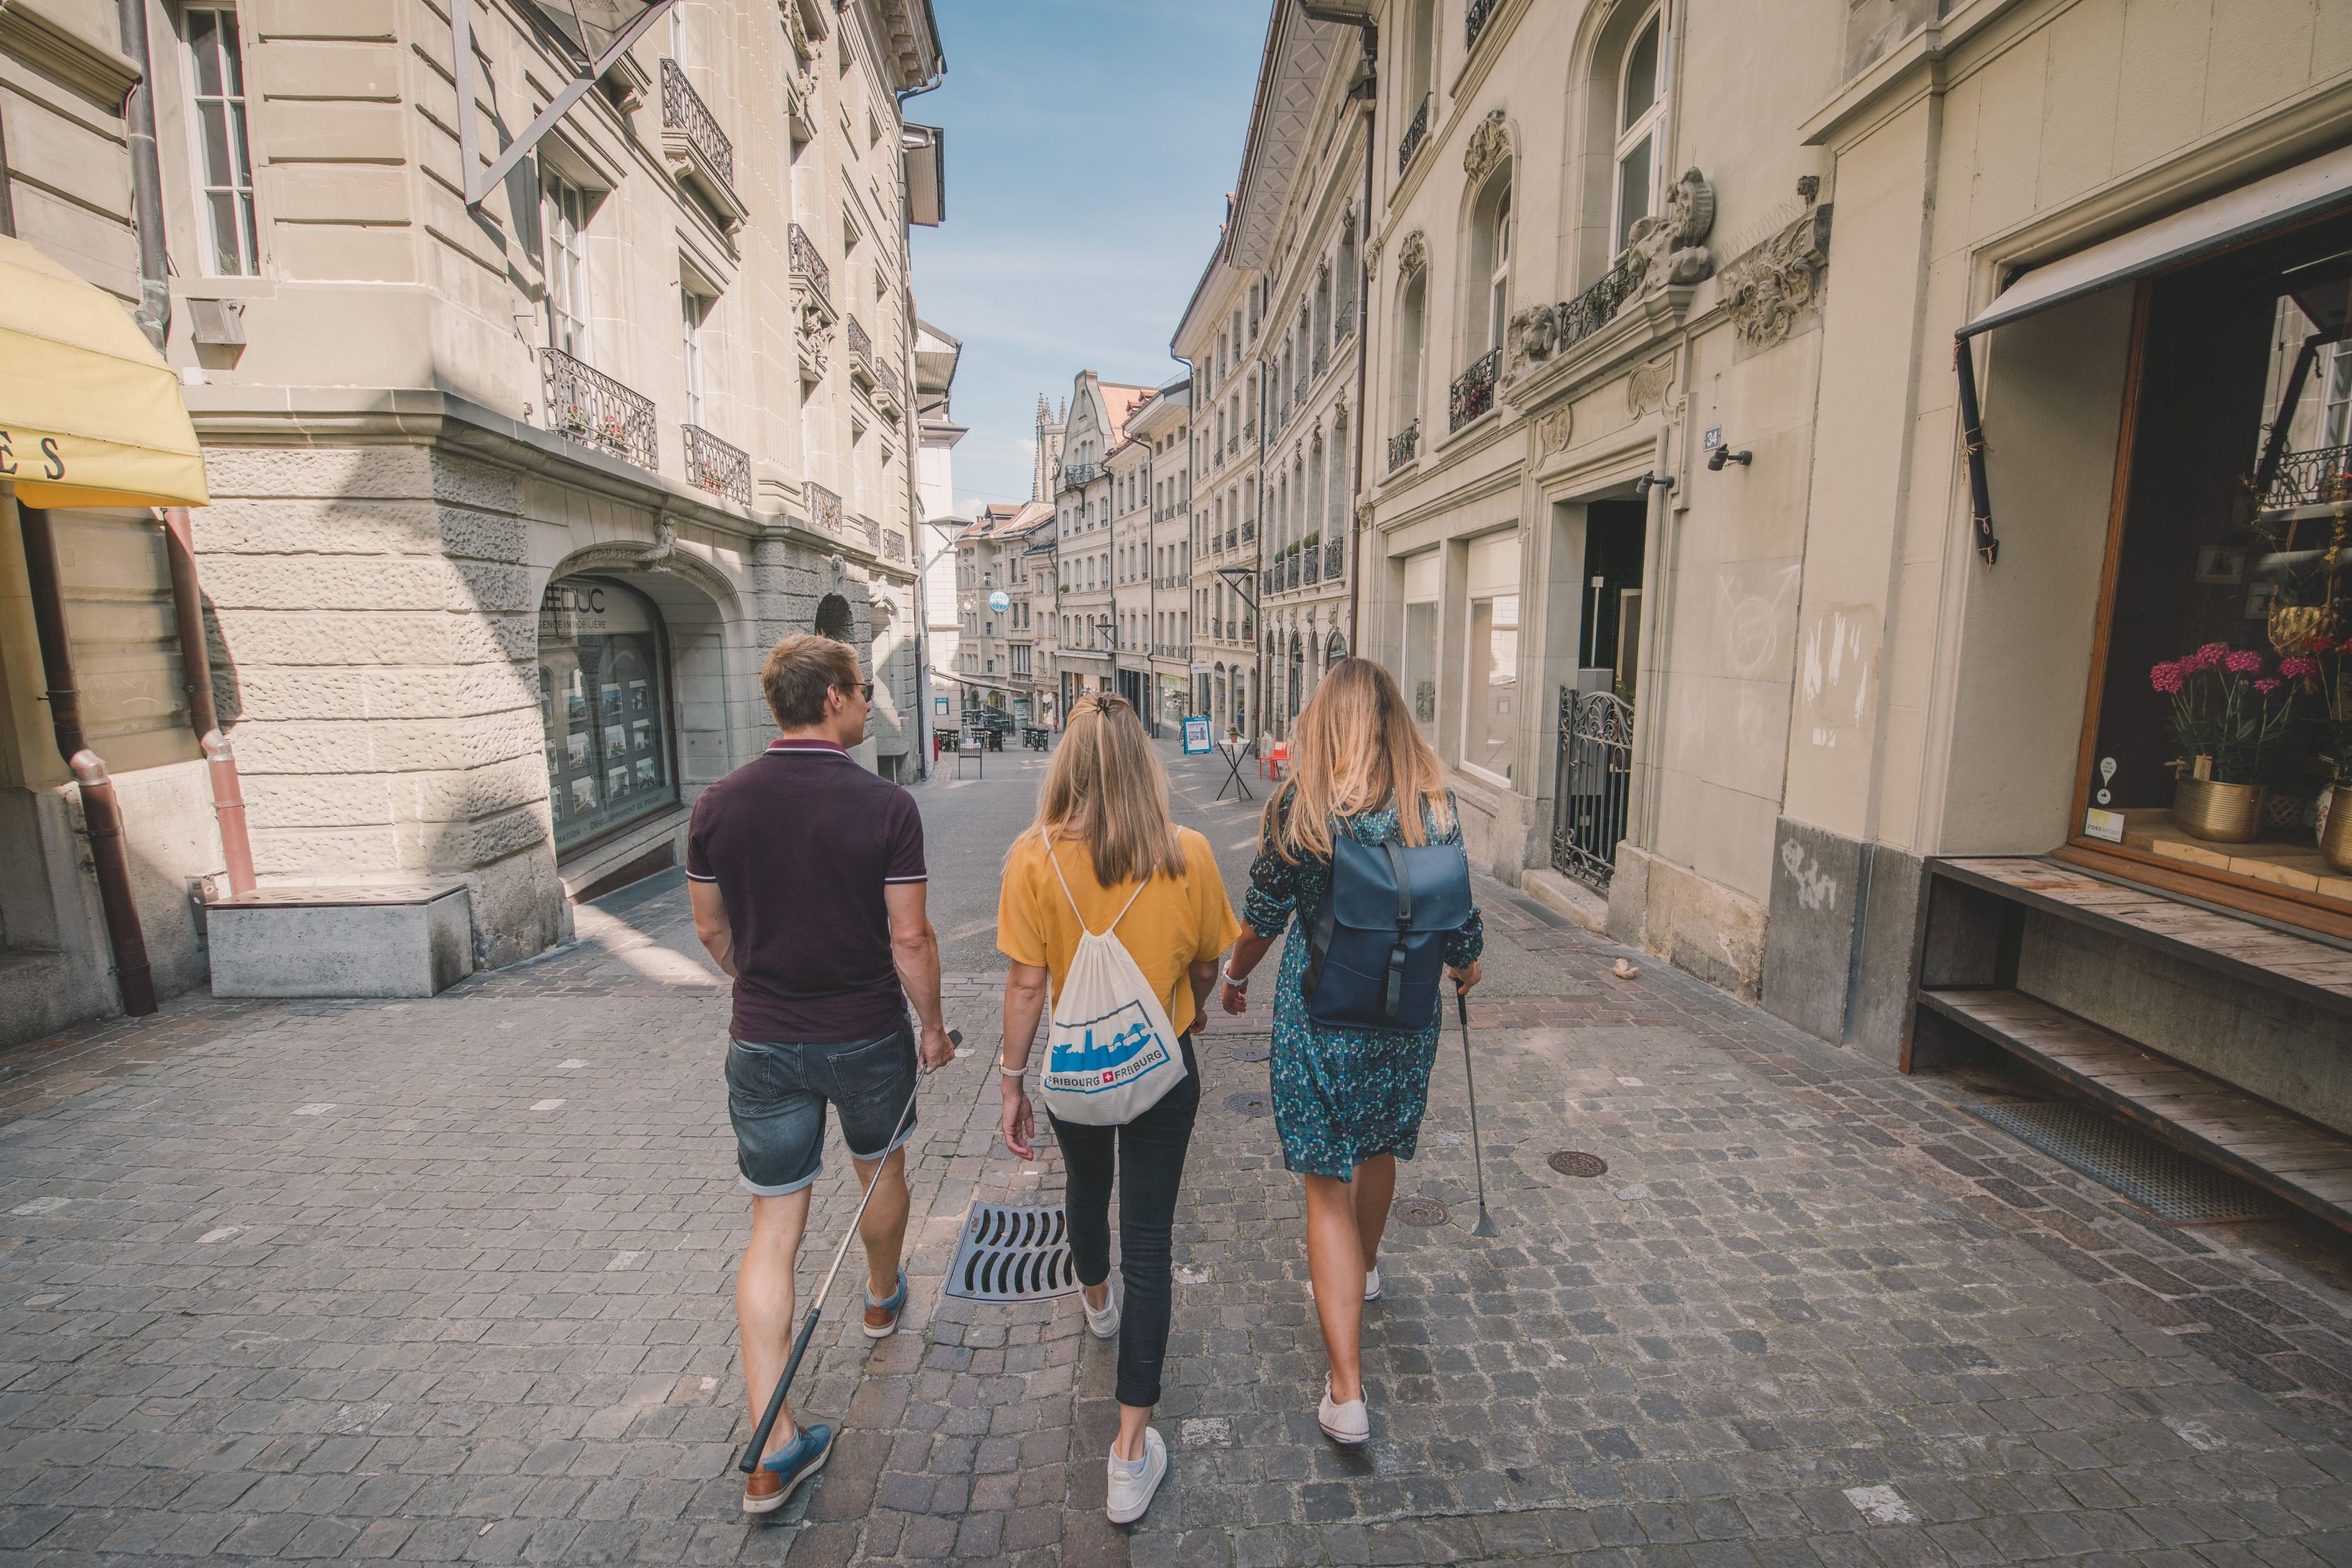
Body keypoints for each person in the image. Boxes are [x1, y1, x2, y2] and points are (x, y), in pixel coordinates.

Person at [687, 634, 956, 1516]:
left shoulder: (718, 805)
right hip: (865, 1029)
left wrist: (760, 981)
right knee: (881, 1166)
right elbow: (910, 937)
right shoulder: (883, 804)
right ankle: (881, 1298)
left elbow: (709, 930)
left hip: (763, 1037)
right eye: (862, 692)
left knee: (773, 1229)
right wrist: (931, 1025)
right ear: (836, 698)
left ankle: (769, 1447)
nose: (866, 704)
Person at [1217, 658, 1483, 1446]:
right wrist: (1466, 968)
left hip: (1320, 1018)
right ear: (1395, 723)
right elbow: (1459, 920)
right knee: (1375, 1150)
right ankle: (1363, 1270)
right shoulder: (1432, 806)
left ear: (1322, 725)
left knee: (1325, 1182)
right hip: (1403, 1020)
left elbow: (1262, 915)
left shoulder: (1298, 809)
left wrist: (1233, 977)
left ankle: (1346, 1392)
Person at [994, 692, 1239, 1524]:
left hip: (1076, 1068)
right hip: (1160, 1069)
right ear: (1144, 763)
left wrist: (1010, 1079)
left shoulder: (1032, 857)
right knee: (1152, 1239)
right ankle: (1131, 1453)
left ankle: (1094, 1301)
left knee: (1083, 1186)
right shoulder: (1190, 853)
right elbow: (1208, 963)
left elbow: (1027, 982)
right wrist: (1190, 1007)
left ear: (1068, 765)